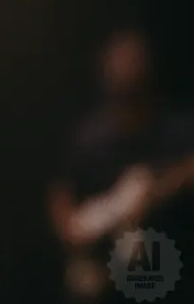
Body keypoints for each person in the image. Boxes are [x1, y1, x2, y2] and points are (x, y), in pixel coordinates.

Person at [48, 28, 194, 303]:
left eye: (134, 60)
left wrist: (155, 191)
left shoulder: (179, 129)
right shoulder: (88, 140)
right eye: (120, 61)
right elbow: (62, 198)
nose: (127, 70)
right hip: (112, 286)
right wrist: (77, 247)